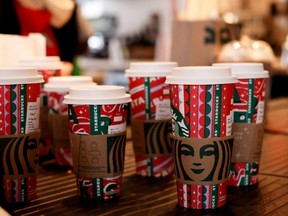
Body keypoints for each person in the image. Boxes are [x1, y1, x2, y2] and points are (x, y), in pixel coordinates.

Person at [0, 0, 90, 75]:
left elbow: (76, 43)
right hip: (18, 70)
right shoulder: (67, 5)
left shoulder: (68, 5)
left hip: (59, 70)